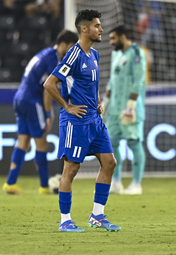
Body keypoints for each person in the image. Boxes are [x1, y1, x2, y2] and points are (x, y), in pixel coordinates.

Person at [43, 9, 121, 232]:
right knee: (71, 169)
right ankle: (65, 220)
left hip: (94, 120)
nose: (101, 29)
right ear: (84, 29)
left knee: (109, 162)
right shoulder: (73, 55)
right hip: (75, 121)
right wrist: (67, 106)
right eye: (97, 26)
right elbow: (49, 84)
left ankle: (97, 215)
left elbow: (90, 84)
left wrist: (97, 101)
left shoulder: (94, 55)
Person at [2, 29, 78, 195]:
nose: (72, 51)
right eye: (71, 47)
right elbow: (47, 89)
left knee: (23, 142)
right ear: (64, 44)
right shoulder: (53, 59)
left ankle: (10, 183)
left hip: (19, 98)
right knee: (41, 142)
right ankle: (44, 186)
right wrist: (48, 113)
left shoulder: (45, 52)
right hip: (32, 100)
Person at [102, 25, 146, 195]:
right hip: (114, 109)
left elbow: (139, 80)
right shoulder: (116, 54)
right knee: (111, 145)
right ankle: (116, 182)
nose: (111, 42)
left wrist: (131, 106)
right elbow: (112, 81)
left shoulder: (136, 53)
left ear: (122, 36)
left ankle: (136, 184)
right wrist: (105, 102)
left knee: (134, 143)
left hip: (130, 109)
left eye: (113, 38)